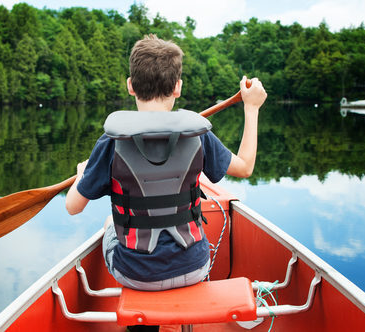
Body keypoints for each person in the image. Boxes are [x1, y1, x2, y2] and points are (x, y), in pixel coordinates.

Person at [66, 34, 267, 291]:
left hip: (135, 275)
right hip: (195, 267)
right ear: (178, 87)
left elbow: (73, 207)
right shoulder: (199, 135)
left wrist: (83, 175)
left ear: (130, 85)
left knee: (109, 224)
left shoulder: (110, 142)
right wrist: (251, 108)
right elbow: (245, 167)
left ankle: (138, 324)